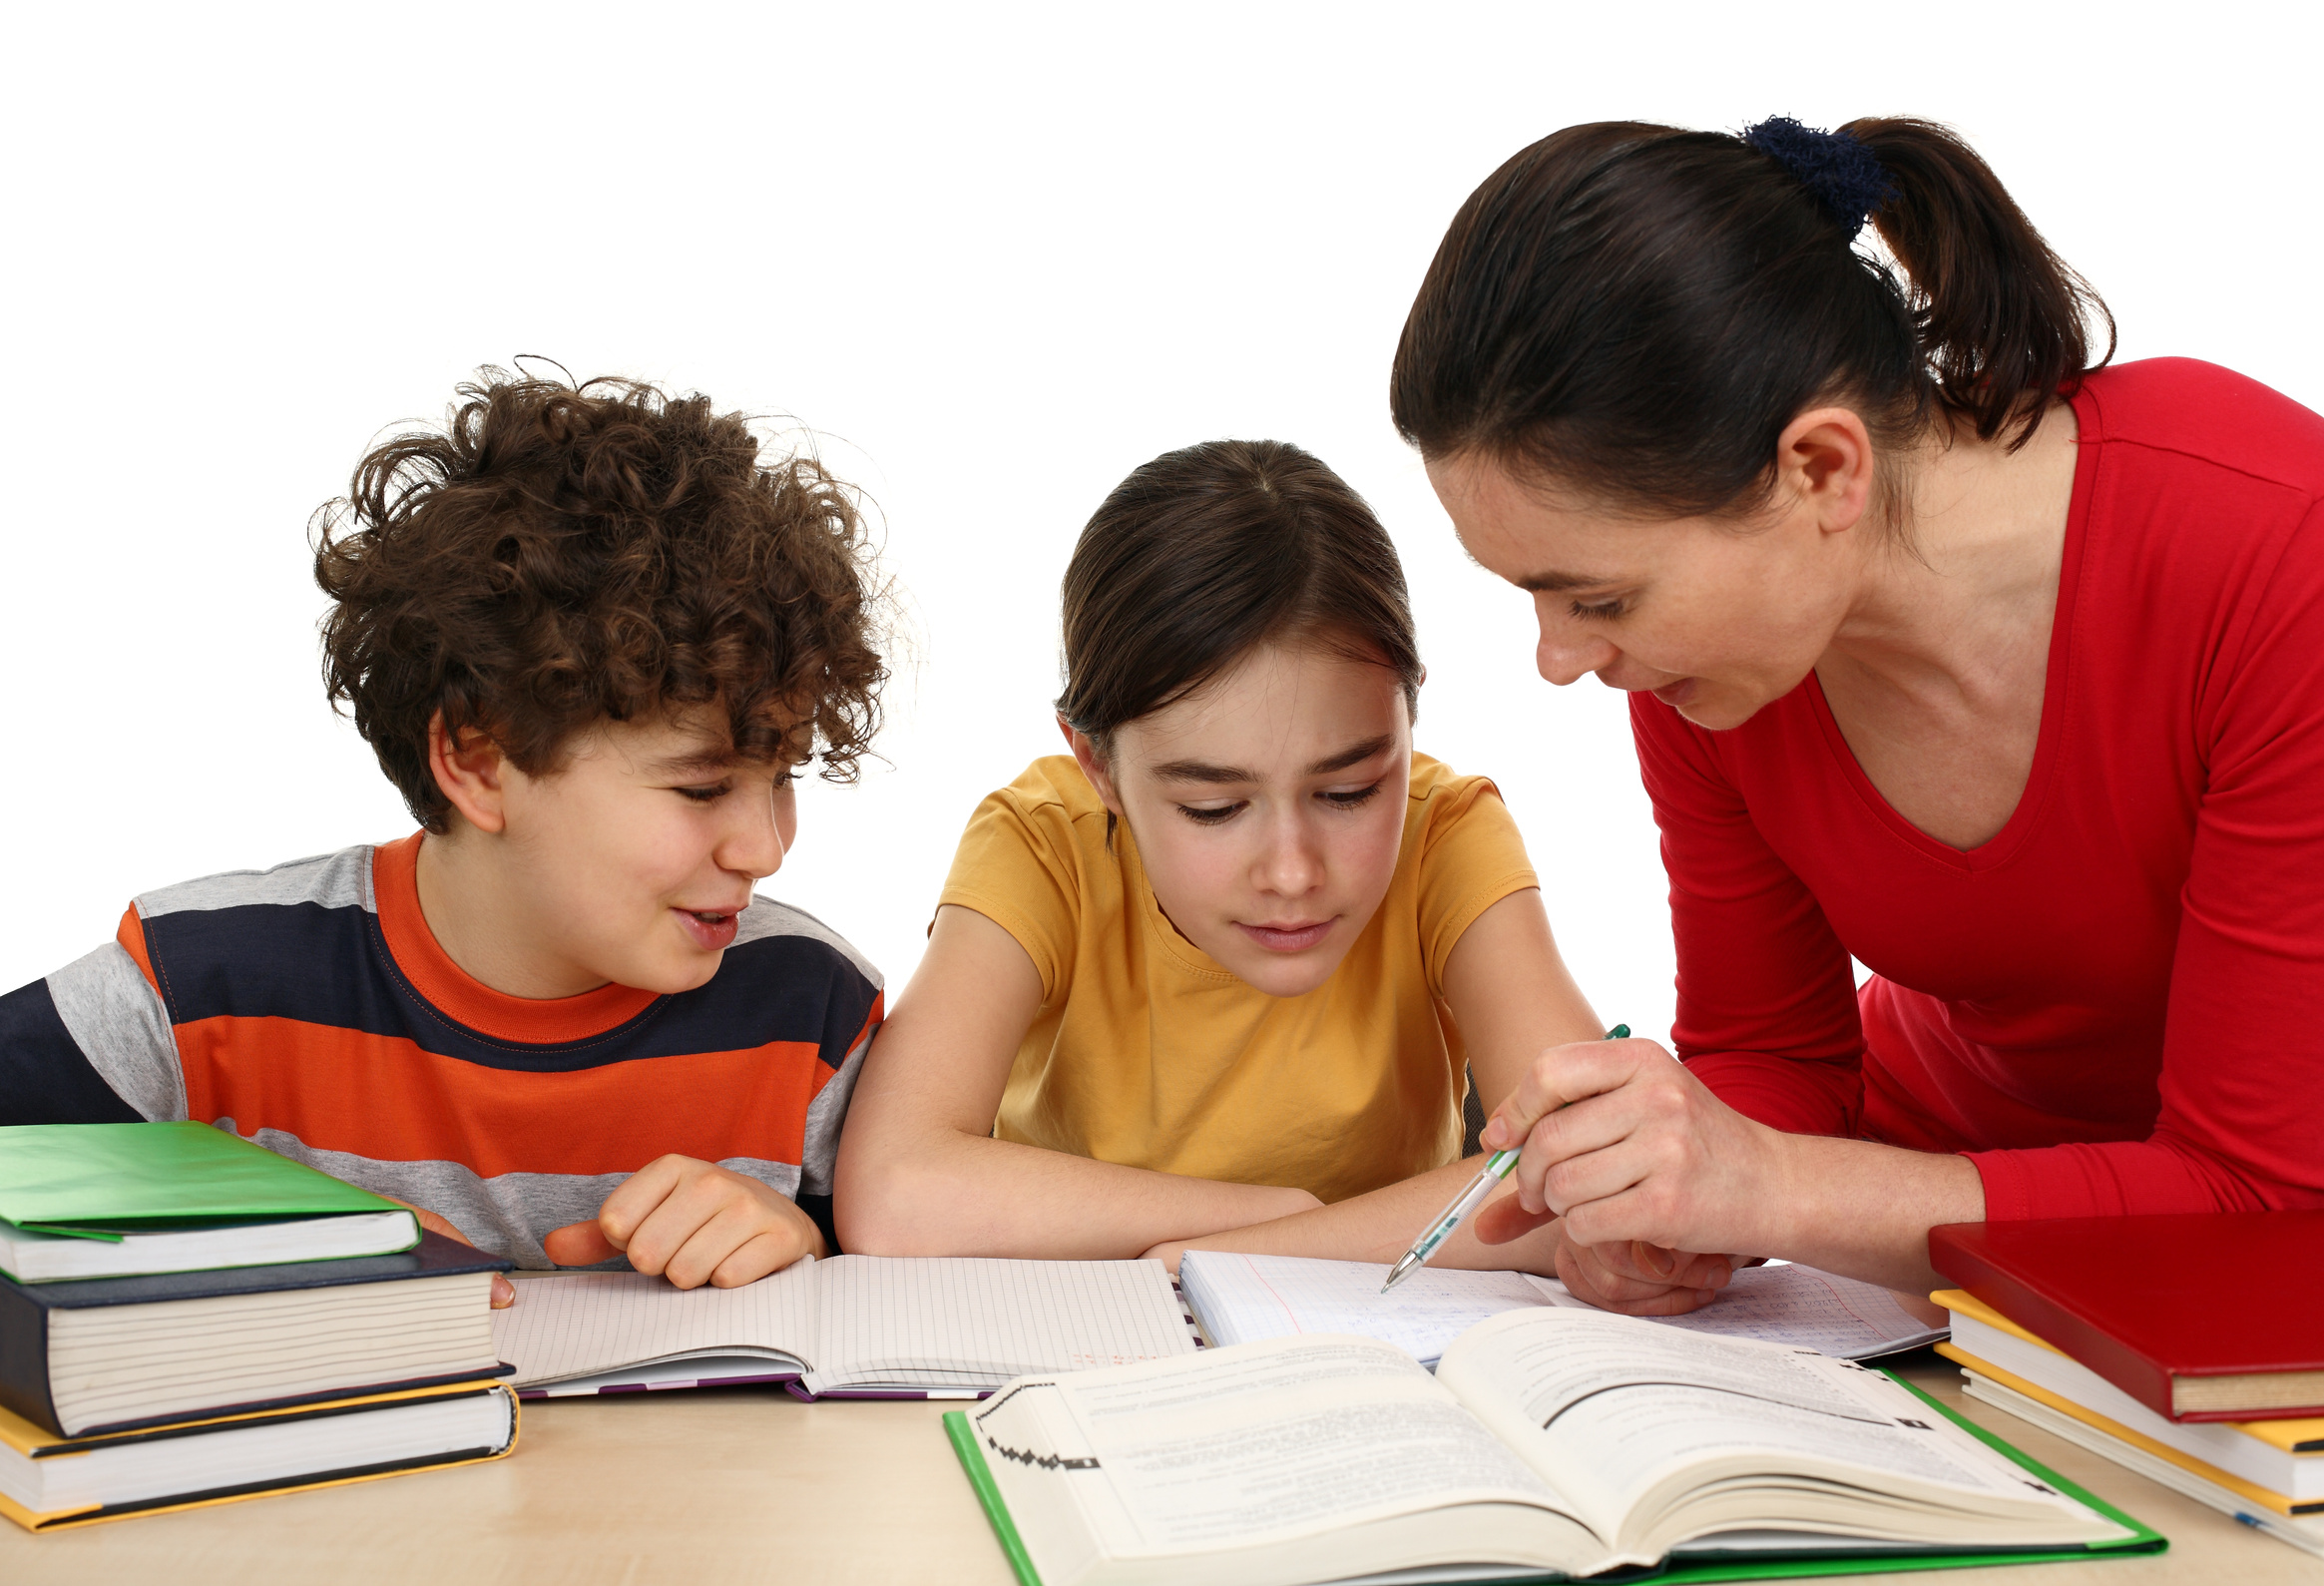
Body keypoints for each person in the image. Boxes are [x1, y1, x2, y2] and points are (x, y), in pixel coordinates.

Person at [1390, 115, 2324, 1315]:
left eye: (1600, 597)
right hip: (1922, 1235)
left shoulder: (2274, 556)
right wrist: (1662, 1186)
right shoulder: (1717, 668)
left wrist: (1769, 1185)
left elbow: (2262, 1198)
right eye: (1538, 595)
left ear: (1821, 469)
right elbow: (1773, 1056)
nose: (1560, 658)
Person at [0, 369, 889, 1303]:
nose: (764, 848)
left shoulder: (812, 1011)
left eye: (782, 775)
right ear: (477, 762)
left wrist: (812, 1236)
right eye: (703, 786)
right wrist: (260, 1214)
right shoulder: (202, 992)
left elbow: (910, 1274)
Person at [835, 439, 1660, 1291]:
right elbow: (893, 1189)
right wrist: (1273, 1220)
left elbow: (1596, 1179)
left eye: (1347, 791)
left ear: (1408, 719)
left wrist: (1259, 1249)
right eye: (1214, 808)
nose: (1293, 873)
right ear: (1097, 766)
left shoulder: (1445, 833)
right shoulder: (1044, 844)